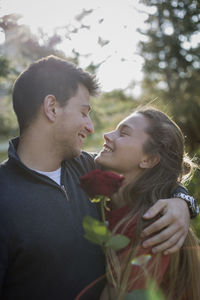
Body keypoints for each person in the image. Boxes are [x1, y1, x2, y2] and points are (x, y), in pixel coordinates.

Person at [0, 55, 197, 300]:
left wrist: (183, 202)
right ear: (52, 108)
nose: (93, 128)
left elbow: (154, 177)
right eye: (84, 113)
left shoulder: (87, 168)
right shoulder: (4, 196)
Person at [93, 108, 200, 300]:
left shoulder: (153, 227)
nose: (107, 135)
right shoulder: (101, 197)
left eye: (123, 133)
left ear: (148, 159)